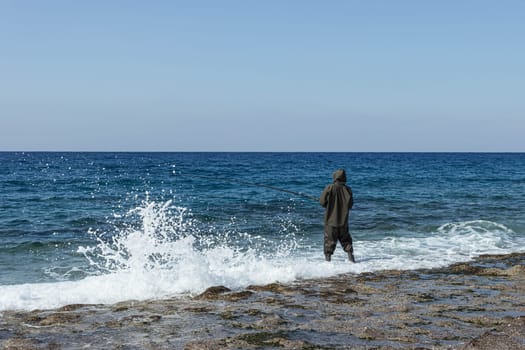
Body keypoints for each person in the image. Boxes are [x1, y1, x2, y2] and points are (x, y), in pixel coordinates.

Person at [320, 169, 355, 262]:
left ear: (335, 177)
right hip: (344, 222)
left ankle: (328, 264)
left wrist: (327, 203)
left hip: (331, 221)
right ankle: (352, 261)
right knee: (346, 241)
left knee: (329, 243)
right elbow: (350, 205)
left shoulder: (329, 188)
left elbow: (322, 202)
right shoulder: (348, 190)